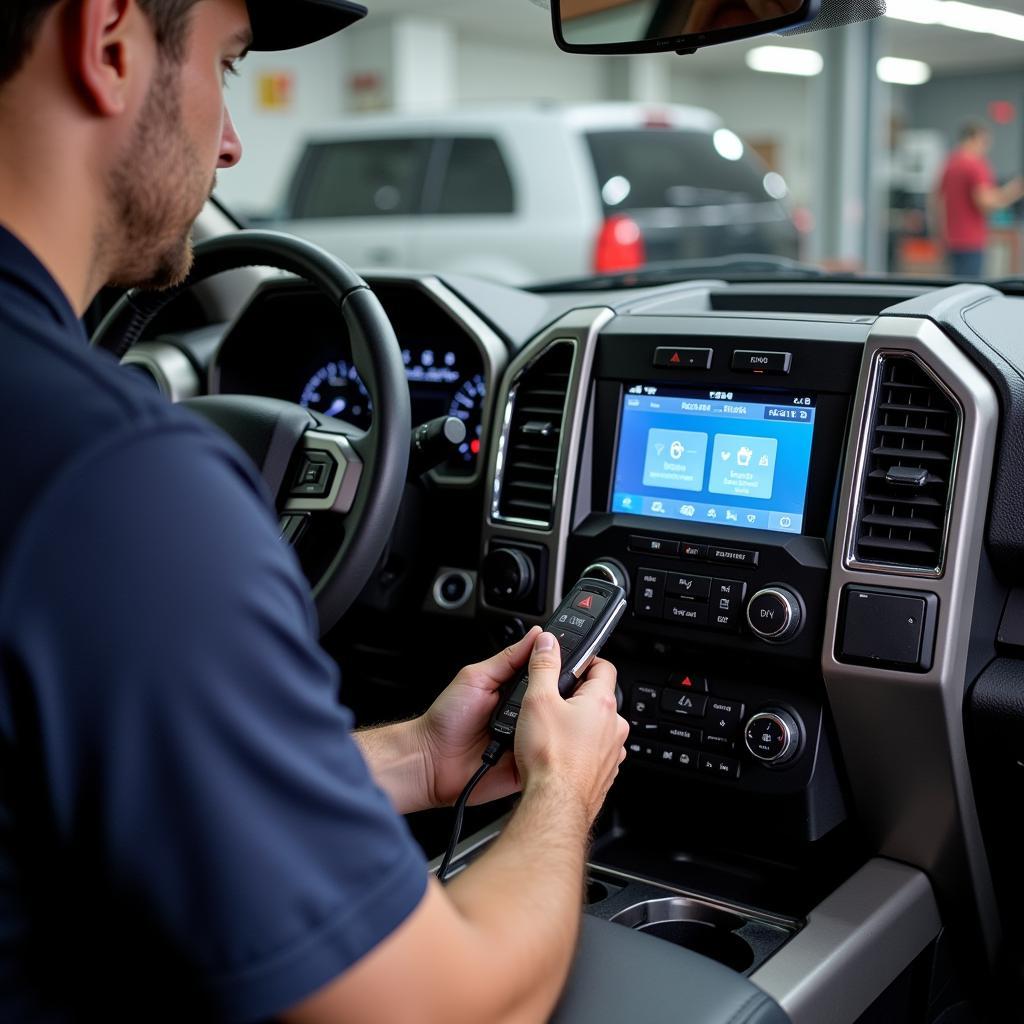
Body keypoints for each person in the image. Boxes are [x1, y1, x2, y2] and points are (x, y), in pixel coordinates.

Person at [0, 2, 629, 1022]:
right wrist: (566, 788)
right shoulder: (121, 487)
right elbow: (449, 1006)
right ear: (109, 42)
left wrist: (418, 756)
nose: (234, 140)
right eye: (229, 66)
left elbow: (108, 764)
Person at [935, 120, 1024, 278]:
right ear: (974, 139)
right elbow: (986, 203)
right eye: (984, 142)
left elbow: (936, 199)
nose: (986, 148)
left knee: (956, 288)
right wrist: (1014, 192)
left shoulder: (950, 163)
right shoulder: (975, 165)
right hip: (970, 241)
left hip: (951, 240)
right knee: (969, 289)